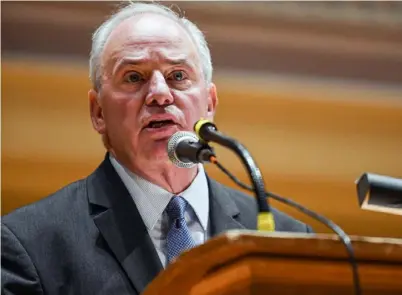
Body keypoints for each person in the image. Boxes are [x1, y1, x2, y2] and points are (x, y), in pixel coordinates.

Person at [1, 2, 313, 294]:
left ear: (209, 103)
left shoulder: (292, 244)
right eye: (134, 77)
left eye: (178, 76)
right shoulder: (30, 244)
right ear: (98, 112)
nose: (159, 94)